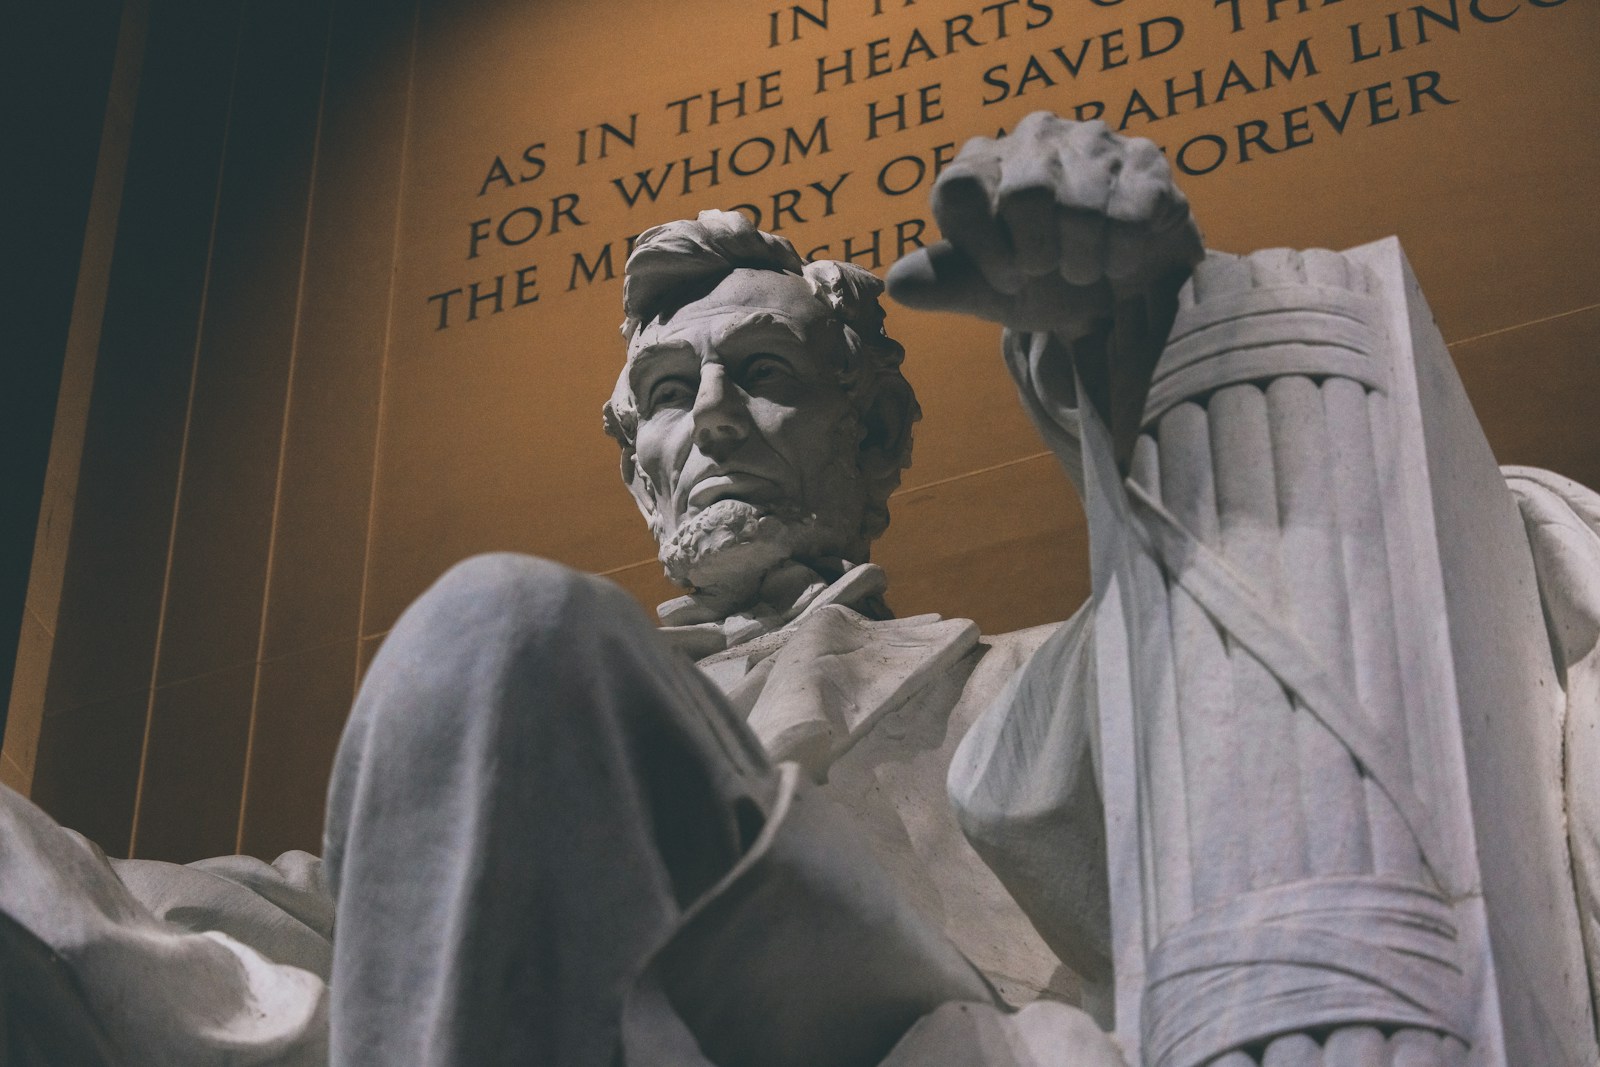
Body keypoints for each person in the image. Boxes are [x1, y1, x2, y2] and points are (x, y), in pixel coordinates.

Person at [3, 112, 1598, 1066]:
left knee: (507, 630)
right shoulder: (458, 758)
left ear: (873, 443)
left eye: (765, 374)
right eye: (671, 390)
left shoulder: (1009, 673)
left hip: (889, 1034)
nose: (708, 418)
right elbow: (245, 918)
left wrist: (1127, 342)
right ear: (630, 455)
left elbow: (1214, 675)